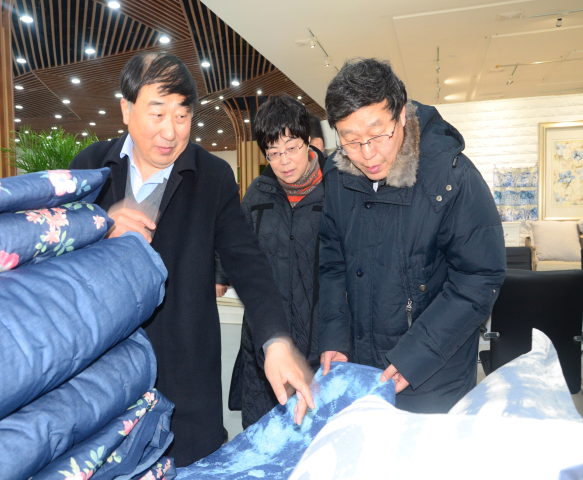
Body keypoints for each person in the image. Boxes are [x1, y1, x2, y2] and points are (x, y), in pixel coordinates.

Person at [69, 52, 314, 466]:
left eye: (182, 115)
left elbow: (248, 264)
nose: (170, 131)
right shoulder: (91, 168)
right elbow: (56, 264)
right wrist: (98, 227)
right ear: (127, 110)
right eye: (158, 113)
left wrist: (276, 340)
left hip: (185, 384)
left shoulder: (212, 175)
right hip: (104, 379)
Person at [318, 58, 506, 414]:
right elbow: (332, 263)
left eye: (378, 135)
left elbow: (479, 278)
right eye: (351, 140)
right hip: (359, 366)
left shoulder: (452, 177)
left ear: (401, 114)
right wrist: (334, 336)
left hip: (432, 372)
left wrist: (415, 356)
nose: (367, 154)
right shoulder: (337, 174)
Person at [229, 95, 325, 428]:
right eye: (273, 153)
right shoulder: (257, 194)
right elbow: (240, 257)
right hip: (265, 350)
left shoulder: (336, 189)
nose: (284, 161)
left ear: (308, 140)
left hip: (320, 349)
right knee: (264, 439)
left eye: (291, 148)